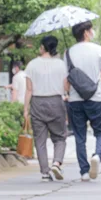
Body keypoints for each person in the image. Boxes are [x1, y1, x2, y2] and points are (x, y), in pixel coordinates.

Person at [65, 21, 101, 181]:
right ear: (86, 33)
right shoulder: (99, 50)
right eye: (91, 29)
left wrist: (67, 94)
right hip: (95, 98)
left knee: (80, 137)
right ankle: (97, 156)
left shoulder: (67, 53)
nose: (92, 32)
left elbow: (66, 80)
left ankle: (84, 172)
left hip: (75, 100)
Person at [24, 36, 67, 182]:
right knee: (60, 137)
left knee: (40, 140)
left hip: (37, 102)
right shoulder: (62, 65)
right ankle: (56, 162)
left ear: (42, 47)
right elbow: (67, 87)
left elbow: (29, 90)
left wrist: (25, 109)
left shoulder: (31, 65)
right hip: (56, 101)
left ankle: (44, 172)